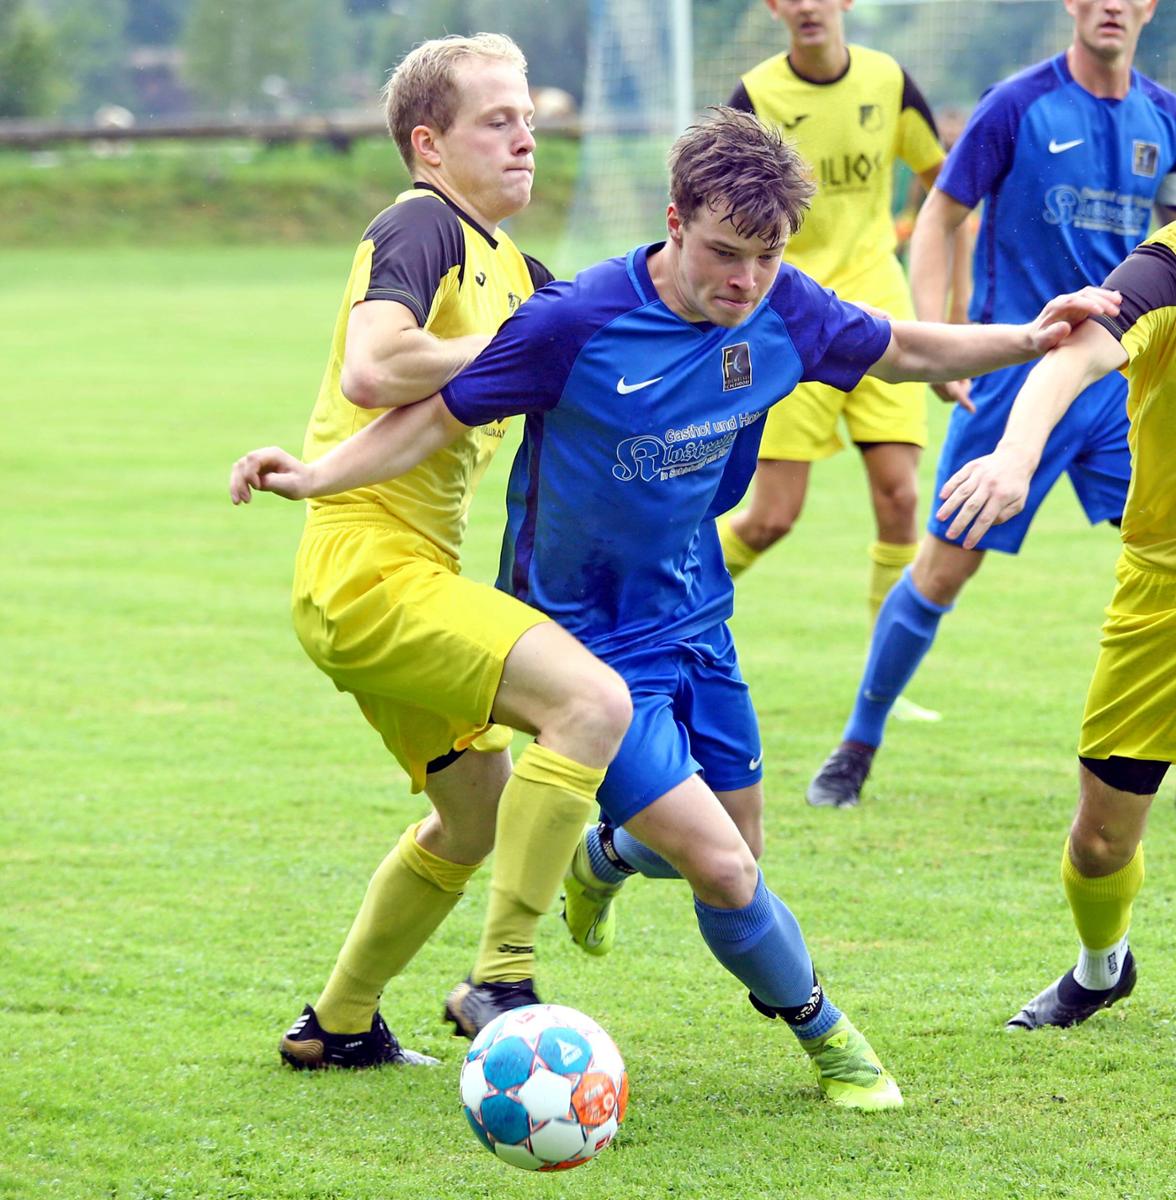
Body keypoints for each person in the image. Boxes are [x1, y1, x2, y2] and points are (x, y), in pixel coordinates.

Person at [230, 107, 1118, 1106]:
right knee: (728, 871)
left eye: (768, 256)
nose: (745, 281)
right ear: (674, 223)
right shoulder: (576, 322)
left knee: (729, 853)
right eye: (725, 254)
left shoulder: (784, 307)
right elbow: (432, 416)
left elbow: (900, 348)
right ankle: (832, 1043)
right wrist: (315, 477)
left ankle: (602, 856)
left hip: (698, 620)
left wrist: (1028, 337)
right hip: (585, 645)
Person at [237, 32, 632, 1071]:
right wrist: (523, 345)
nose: (525, 140)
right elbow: (375, 366)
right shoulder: (422, 224)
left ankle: (338, 1026)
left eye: (531, 122)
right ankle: (502, 978)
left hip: (400, 577)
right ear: (429, 144)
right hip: (368, 570)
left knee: (474, 817)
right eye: (497, 122)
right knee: (589, 707)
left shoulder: (524, 274)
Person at [807, 0, 1176, 808]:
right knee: (943, 568)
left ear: (1149, 7)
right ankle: (857, 745)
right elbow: (941, 214)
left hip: (1122, 387)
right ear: (1072, 5)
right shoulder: (1016, 105)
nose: (1113, 5)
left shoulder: (1164, 116)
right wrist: (943, 335)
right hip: (1020, 374)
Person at [937, 222, 1175, 1029]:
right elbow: (1075, 352)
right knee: (1101, 845)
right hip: (1163, 592)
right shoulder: (1166, 266)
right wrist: (1014, 454)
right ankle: (1103, 967)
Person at [721, 0, 968, 725]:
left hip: (881, 316)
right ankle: (665, 607)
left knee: (900, 500)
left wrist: (950, 313)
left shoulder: (889, 82)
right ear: (774, 8)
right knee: (770, 517)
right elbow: (712, 210)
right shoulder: (756, 96)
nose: (805, 6)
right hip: (791, 322)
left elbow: (947, 191)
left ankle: (882, 688)